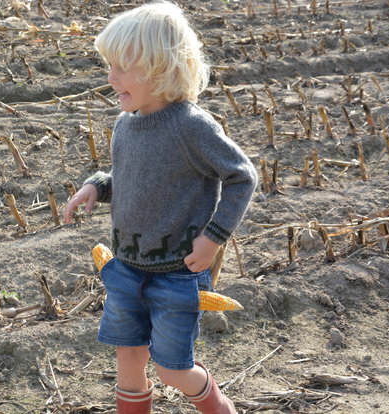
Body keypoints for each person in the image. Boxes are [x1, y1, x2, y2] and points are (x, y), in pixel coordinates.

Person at [63, 2, 257, 413]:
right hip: (127, 269)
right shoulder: (125, 124)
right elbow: (134, 182)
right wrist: (97, 187)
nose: (110, 77)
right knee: (128, 360)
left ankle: (221, 408)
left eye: (121, 67)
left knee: (172, 370)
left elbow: (242, 177)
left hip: (176, 275)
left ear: (162, 68)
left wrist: (212, 238)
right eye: (108, 65)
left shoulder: (191, 126)